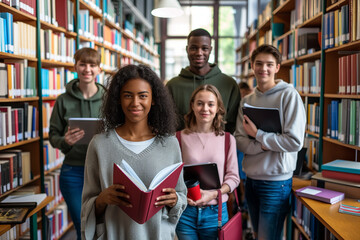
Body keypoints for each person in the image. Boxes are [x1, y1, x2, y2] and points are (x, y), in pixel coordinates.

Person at [81, 64, 187, 239]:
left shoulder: (170, 143)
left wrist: (175, 200)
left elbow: (182, 195)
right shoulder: (99, 144)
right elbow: (86, 205)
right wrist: (102, 199)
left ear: (153, 99)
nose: (135, 103)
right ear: (118, 99)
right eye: (128, 96)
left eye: (143, 96)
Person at [234, 44, 306, 240]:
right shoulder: (247, 100)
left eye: (269, 64)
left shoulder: (288, 96)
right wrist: (266, 146)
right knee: (259, 235)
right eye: (258, 63)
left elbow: (294, 142)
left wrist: (258, 136)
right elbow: (240, 140)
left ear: (277, 67)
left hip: (276, 183)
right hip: (251, 181)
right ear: (252, 66)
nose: (263, 69)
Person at [49, 47, 105, 240]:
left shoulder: (108, 100)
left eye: (92, 65)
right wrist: (65, 141)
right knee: (83, 224)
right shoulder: (63, 100)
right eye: (82, 64)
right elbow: (53, 135)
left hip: (103, 171)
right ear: (75, 67)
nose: (87, 69)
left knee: (104, 224)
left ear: (99, 69)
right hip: (73, 171)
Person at [175, 84, 240, 240]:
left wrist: (213, 193)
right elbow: (173, 175)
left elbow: (234, 177)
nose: (205, 108)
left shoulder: (227, 139)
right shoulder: (178, 138)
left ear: (217, 107)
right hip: (185, 212)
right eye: (200, 103)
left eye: (210, 104)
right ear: (192, 105)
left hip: (216, 212)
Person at [166, 28, 241, 133]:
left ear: (210, 49)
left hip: (219, 147)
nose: (199, 53)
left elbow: (234, 125)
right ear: (187, 49)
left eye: (204, 48)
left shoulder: (229, 84)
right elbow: (167, 124)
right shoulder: (172, 86)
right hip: (181, 147)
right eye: (194, 48)